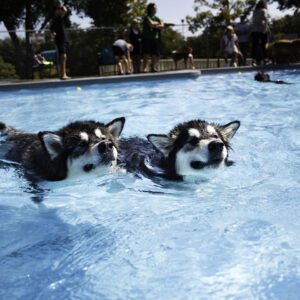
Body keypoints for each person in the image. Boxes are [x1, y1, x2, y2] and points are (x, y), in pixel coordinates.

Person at [40, 3, 70, 80]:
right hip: (60, 38)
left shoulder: (59, 18)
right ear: (56, 11)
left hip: (63, 37)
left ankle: (63, 74)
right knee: (63, 56)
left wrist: (63, 8)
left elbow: (65, 11)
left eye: (60, 10)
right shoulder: (57, 19)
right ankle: (63, 74)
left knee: (63, 56)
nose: (60, 11)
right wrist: (53, 33)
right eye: (58, 10)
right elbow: (52, 29)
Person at [142, 3, 165, 72]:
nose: (156, 9)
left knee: (154, 54)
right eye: (155, 8)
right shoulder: (146, 17)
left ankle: (153, 67)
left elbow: (162, 25)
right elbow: (151, 24)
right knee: (146, 53)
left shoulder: (156, 18)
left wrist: (157, 24)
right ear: (151, 9)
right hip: (147, 37)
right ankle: (145, 67)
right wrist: (157, 24)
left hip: (154, 38)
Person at [251, 0, 270, 66]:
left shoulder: (255, 11)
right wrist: (265, 28)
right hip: (261, 29)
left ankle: (253, 61)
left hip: (254, 30)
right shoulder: (264, 10)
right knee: (264, 45)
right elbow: (264, 19)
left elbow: (253, 20)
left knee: (255, 46)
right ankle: (265, 59)